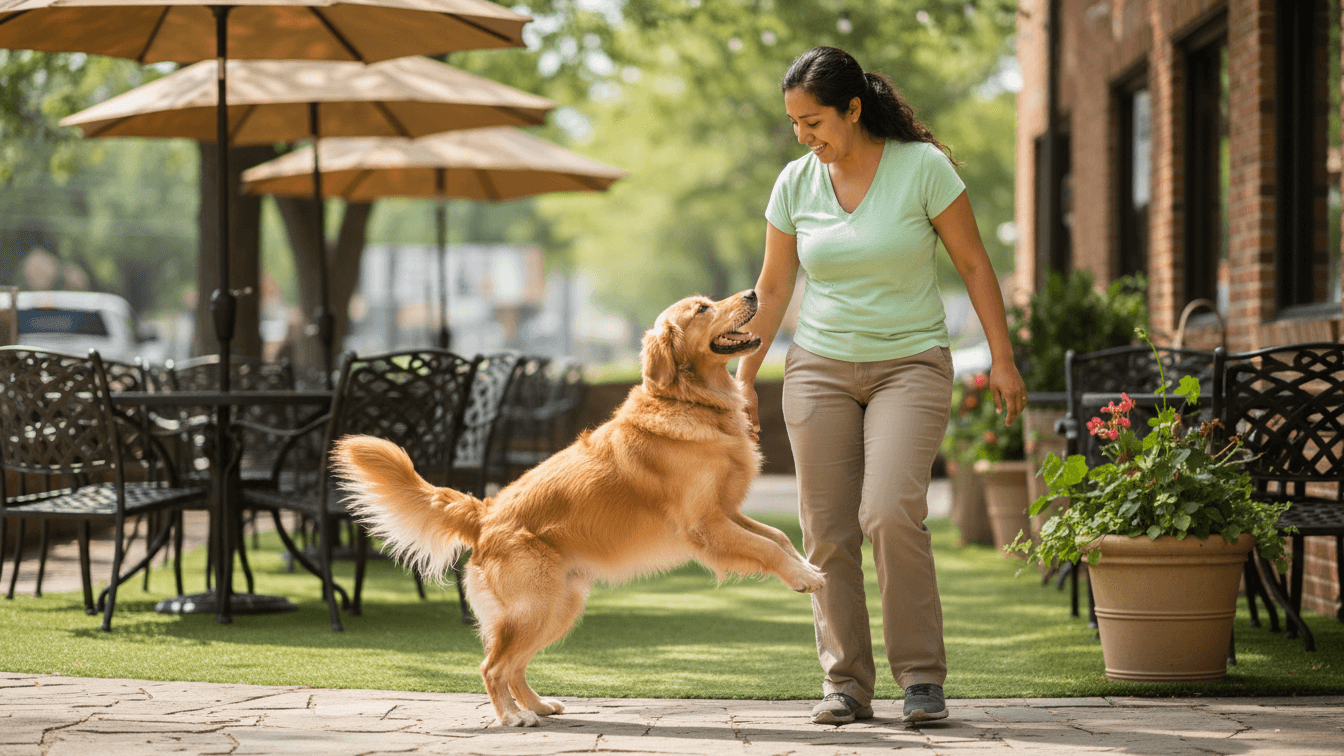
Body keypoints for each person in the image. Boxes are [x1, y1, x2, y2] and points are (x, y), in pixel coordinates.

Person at [735, 46, 1026, 725]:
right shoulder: (795, 183)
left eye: (814, 122)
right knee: (828, 529)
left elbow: (976, 266)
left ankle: (921, 677)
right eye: (794, 124)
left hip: (911, 363)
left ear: (853, 109)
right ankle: (846, 684)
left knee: (890, 511)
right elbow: (774, 287)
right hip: (818, 367)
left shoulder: (922, 169)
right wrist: (744, 375)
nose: (804, 137)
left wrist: (1005, 359)